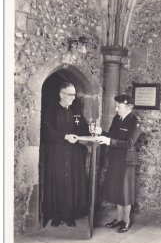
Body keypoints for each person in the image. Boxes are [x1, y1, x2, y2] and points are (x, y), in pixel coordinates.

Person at [42, 81, 89, 228]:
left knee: (72, 183)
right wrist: (64, 136)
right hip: (57, 153)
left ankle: (70, 215)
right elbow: (47, 131)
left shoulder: (76, 111)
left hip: (74, 153)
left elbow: (84, 129)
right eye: (70, 94)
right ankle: (56, 215)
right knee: (58, 183)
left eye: (74, 94)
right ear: (61, 94)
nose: (73, 98)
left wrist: (88, 134)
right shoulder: (51, 110)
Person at [95, 95, 141, 233]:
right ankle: (119, 219)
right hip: (115, 158)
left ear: (128, 107)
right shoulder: (117, 118)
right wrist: (102, 133)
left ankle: (126, 221)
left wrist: (109, 141)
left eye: (118, 106)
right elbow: (112, 137)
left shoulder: (135, 122)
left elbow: (129, 143)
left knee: (125, 192)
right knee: (117, 189)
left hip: (126, 161)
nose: (116, 109)